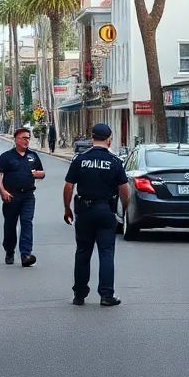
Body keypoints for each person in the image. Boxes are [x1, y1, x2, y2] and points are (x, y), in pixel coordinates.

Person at [63, 123, 128, 306]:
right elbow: (124, 189)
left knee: (83, 252)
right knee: (106, 253)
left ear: (92, 138)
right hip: (106, 210)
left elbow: (69, 186)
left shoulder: (79, 159)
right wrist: (124, 208)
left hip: (84, 210)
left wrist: (67, 208)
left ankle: (79, 295)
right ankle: (107, 295)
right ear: (109, 139)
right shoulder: (115, 161)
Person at [0, 127, 45, 266]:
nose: (26, 140)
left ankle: (25, 255)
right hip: (11, 196)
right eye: (24, 138)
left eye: (28, 138)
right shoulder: (6, 157)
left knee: (27, 223)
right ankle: (9, 250)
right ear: (16, 139)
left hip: (28, 196)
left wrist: (39, 174)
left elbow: (41, 172)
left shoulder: (33, 156)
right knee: (10, 226)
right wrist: (2, 191)